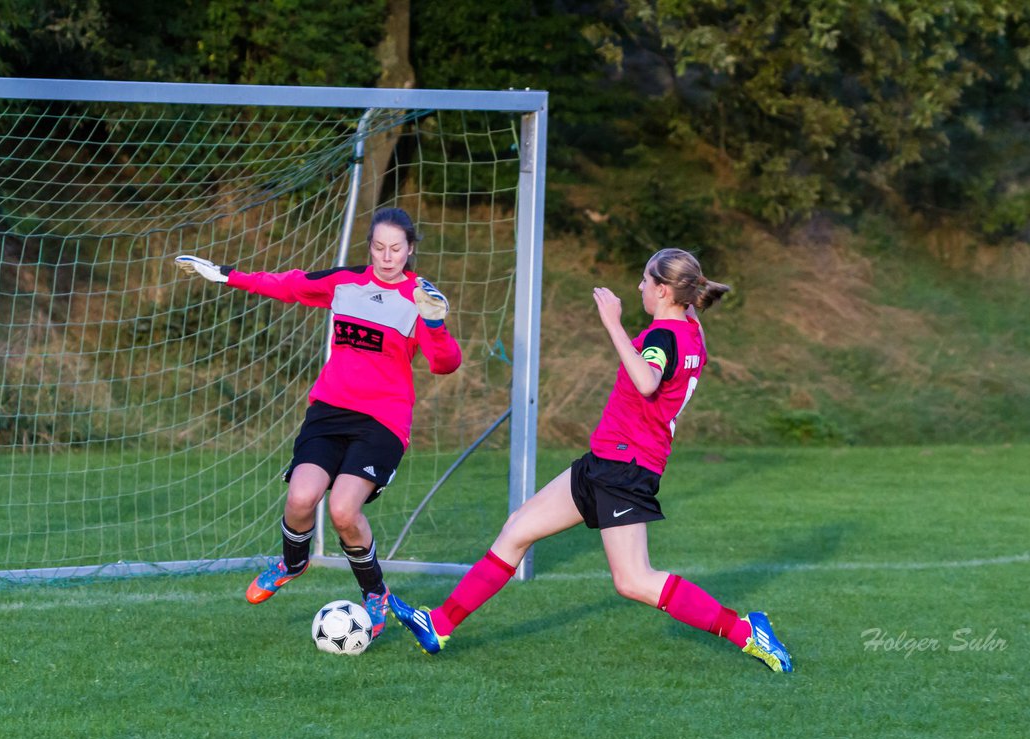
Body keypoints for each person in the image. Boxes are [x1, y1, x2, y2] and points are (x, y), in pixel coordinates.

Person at [388, 247, 792, 672]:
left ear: (665, 290)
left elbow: (647, 380)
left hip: (625, 468)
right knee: (517, 530)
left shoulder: (662, 337)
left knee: (634, 580)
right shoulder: (692, 328)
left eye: (645, 280)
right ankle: (438, 623)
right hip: (606, 459)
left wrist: (613, 324)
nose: (639, 287)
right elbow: (674, 338)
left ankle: (747, 632)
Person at [175, 207, 462, 639]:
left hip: (382, 419)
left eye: (396, 249)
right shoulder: (347, 283)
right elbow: (289, 285)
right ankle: (293, 562)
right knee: (301, 497)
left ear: (410, 249)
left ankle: (375, 593)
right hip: (329, 410)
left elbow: (445, 364)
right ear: (370, 247)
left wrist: (435, 324)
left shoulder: (419, 298)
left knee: (344, 510)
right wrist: (227, 276)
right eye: (380, 247)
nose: (387, 257)